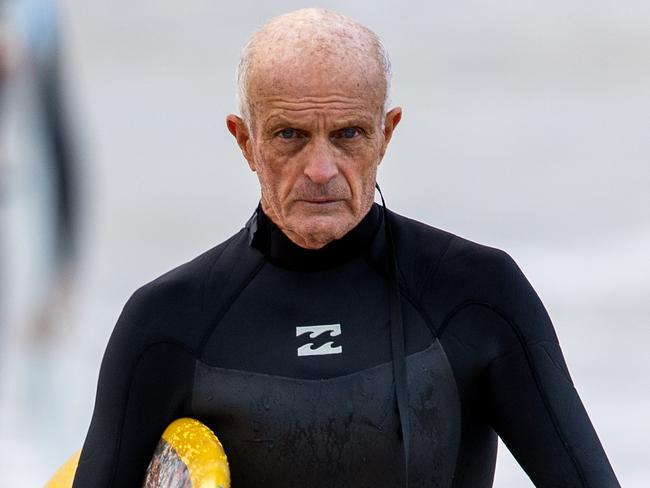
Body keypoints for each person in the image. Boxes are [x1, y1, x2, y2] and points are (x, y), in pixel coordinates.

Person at [73, 8, 620, 487]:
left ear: (387, 133)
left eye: (348, 134)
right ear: (245, 140)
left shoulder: (476, 296)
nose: (320, 170)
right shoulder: (167, 324)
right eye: (290, 135)